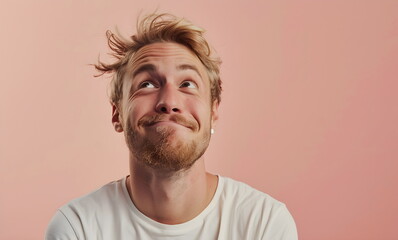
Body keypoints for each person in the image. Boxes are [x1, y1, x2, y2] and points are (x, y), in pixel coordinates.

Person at [45, 13, 298, 240]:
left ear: (213, 112)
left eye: (187, 84)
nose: (169, 102)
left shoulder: (264, 224)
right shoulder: (78, 228)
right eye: (146, 84)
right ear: (117, 114)